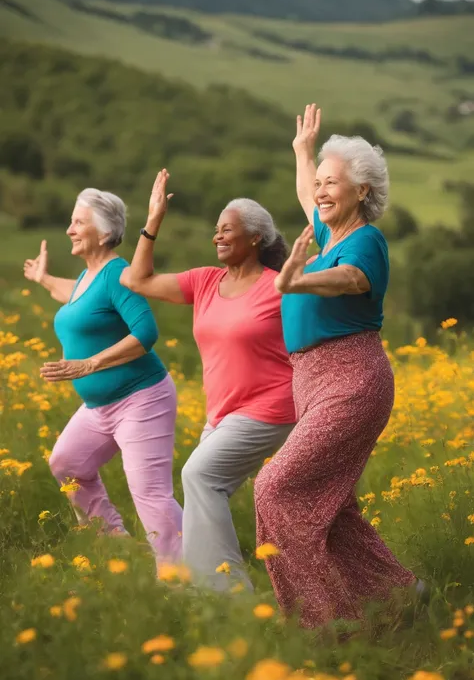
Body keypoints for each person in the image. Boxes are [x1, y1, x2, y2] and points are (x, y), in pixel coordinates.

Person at [253, 104, 415, 628]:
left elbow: (350, 281)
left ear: (362, 191)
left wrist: (296, 281)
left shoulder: (364, 242)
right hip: (313, 380)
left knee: (275, 488)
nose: (320, 191)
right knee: (333, 508)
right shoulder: (328, 236)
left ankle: (328, 626)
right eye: (320, 183)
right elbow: (307, 197)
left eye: (332, 183)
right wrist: (304, 152)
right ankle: (402, 597)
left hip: (352, 378)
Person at [120, 169, 296, 590]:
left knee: (198, 477)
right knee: (203, 492)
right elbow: (136, 280)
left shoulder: (280, 287)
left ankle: (227, 596)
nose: (217, 237)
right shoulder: (205, 281)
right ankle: (198, 589)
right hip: (221, 415)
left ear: (255, 238)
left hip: (270, 408)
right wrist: (153, 221)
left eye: (227, 230)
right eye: (215, 230)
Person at [23, 188, 182, 562]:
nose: (69, 230)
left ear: (104, 231)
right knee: (67, 464)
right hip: (100, 407)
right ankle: (116, 545)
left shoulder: (117, 273)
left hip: (142, 399)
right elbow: (76, 297)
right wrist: (44, 279)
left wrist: (89, 364)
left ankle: (186, 581)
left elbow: (146, 332)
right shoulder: (87, 277)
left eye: (78, 222)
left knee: (150, 494)